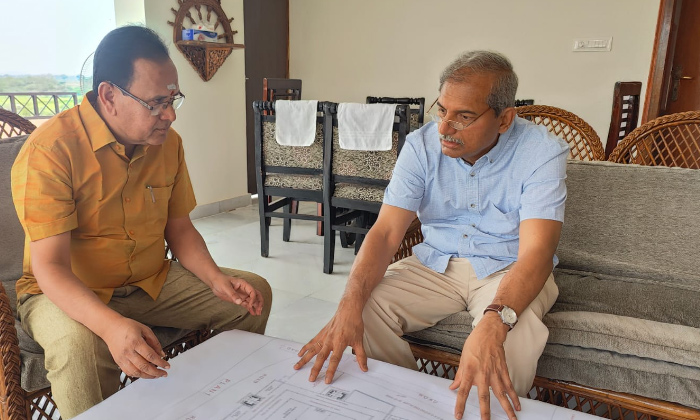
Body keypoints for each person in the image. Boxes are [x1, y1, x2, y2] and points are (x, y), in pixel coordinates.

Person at [11, 26, 271, 419]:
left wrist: (217, 280)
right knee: (80, 344)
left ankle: (215, 402)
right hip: (64, 292)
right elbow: (50, 269)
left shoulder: (168, 144)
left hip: (149, 282)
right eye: (155, 104)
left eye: (173, 100)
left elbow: (180, 230)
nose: (168, 115)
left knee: (250, 294)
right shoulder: (52, 151)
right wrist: (113, 326)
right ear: (109, 96)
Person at [294, 50, 568, 420]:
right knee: (365, 306)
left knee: (511, 336)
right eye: (442, 110)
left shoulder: (540, 151)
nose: (444, 128)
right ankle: (408, 407)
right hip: (436, 264)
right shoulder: (421, 145)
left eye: (464, 117)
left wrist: (495, 319)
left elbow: (537, 251)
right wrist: (348, 302)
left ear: (504, 119)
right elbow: (387, 231)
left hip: (509, 268)